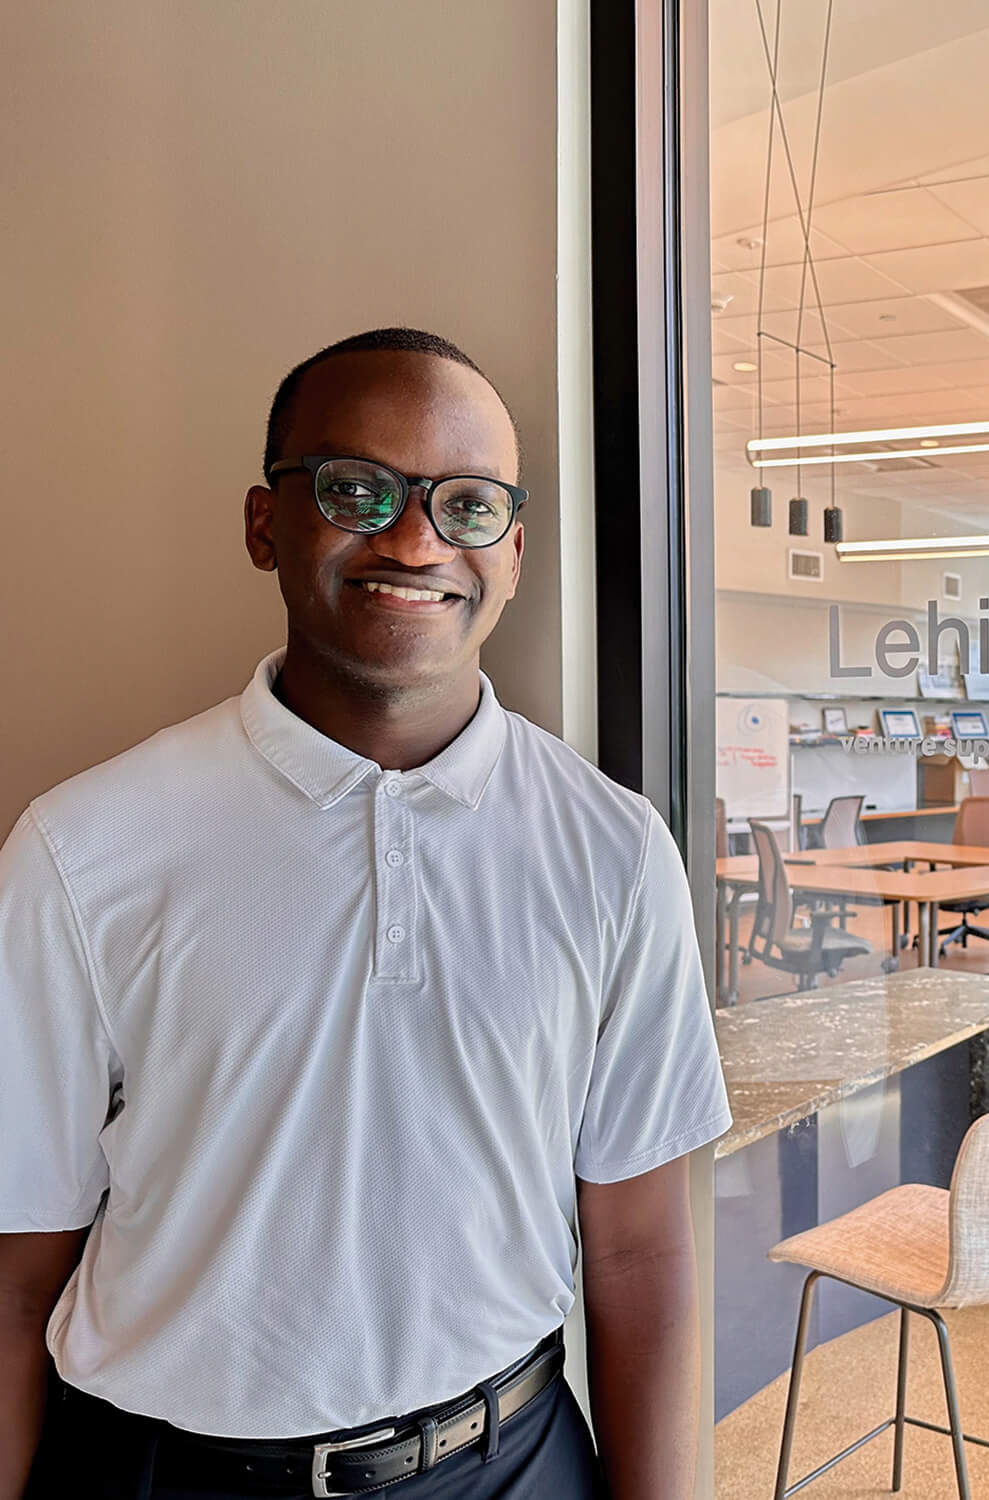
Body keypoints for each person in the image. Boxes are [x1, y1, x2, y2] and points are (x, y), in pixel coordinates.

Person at [0, 328, 730, 1499]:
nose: (413, 538)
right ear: (263, 523)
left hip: (513, 1459)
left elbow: (640, 1249)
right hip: (162, 1474)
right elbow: (17, 1269)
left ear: (513, 549)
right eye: (356, 489)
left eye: (467, 504)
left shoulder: (611, 848)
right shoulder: (84, 850)